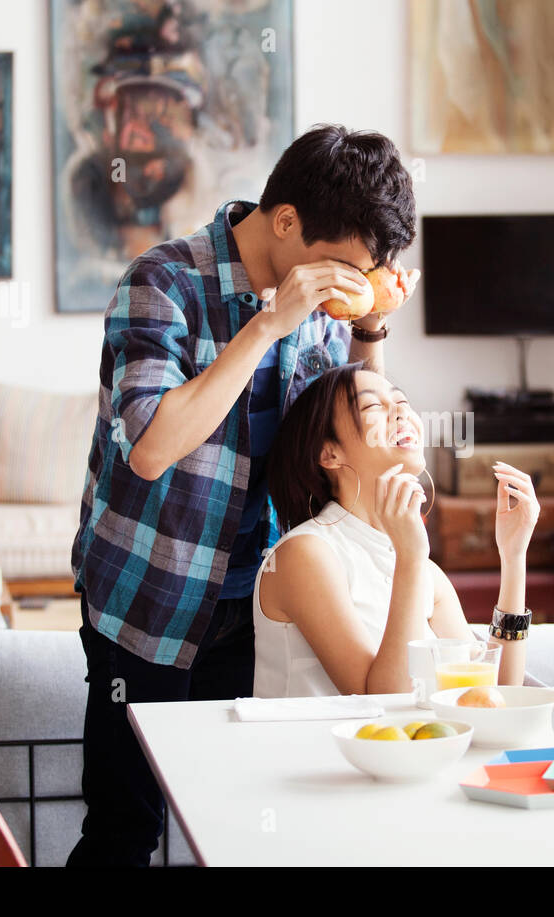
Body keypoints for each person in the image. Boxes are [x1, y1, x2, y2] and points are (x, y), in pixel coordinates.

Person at [68, 125, 419, 867]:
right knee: (125, 832)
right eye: (346, 267)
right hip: (148, 605)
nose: (351, 282)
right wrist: (269, 324)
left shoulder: (322, 303)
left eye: (371, 268)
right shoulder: (162, 284)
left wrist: (371, 324)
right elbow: (155, 448)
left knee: (235, 827)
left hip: (256, 609)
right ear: (286, 222)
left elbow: (355, 416)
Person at [253, 364, 540, 697]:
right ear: (329, 453)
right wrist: (411, 557)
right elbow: (382, 698)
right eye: (374, 406)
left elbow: (497, 690)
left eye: (403, 405)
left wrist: (514, 556)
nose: (401, 415)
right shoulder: (304, 554)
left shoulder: (424, 571)